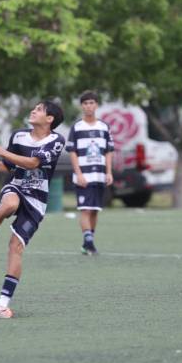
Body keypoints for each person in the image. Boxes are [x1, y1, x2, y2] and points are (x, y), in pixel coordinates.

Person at [0, 100, 65, 319]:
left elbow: (33, 163)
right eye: (33, 107)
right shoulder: (18, 136)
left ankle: (2, 305)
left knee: (15, 247)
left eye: (39, 109)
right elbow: (8, 166)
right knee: (9, 204)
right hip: (15, 187)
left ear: (50, 119)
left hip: (36, 199)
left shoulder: (56, 140)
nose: (33, 110)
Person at [66, 91, 114, 255]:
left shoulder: (104, 127)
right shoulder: (77, 127)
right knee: (85, 209)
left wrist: (109, 172)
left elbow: (108, 151)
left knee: (94, 210)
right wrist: (78, 174)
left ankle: (87, 243)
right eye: (85, 103)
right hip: (83, 176)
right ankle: (89, 242)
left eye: (92, 103)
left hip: (99, 176)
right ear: (82, 106)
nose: (89, 106)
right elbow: (72, 152)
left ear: (97, 105)